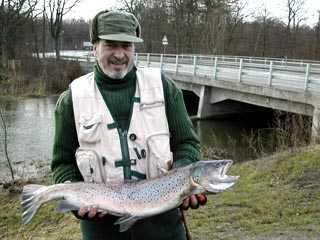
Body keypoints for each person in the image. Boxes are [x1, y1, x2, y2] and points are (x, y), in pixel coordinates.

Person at [51, 10, 206, 240]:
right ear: (94, 47)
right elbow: (63, 163)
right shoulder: (71, 99)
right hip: (102, 232)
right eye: (111, 45)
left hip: (164, 230)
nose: (120, 54)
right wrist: (78, 201)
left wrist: (184, 181)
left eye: (127, 46)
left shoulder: (164, 88)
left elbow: (187, 144)